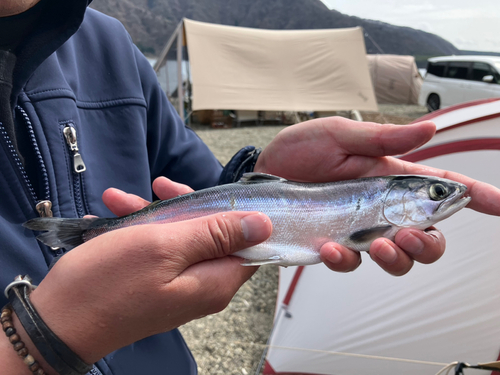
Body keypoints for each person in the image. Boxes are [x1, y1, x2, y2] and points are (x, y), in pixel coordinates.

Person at [1, 1, 500, 375]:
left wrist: (267, 175)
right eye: (432, 194)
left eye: (433, 195)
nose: (442, 198)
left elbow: (201, 189)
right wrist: (43, 341)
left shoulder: (107, 43)